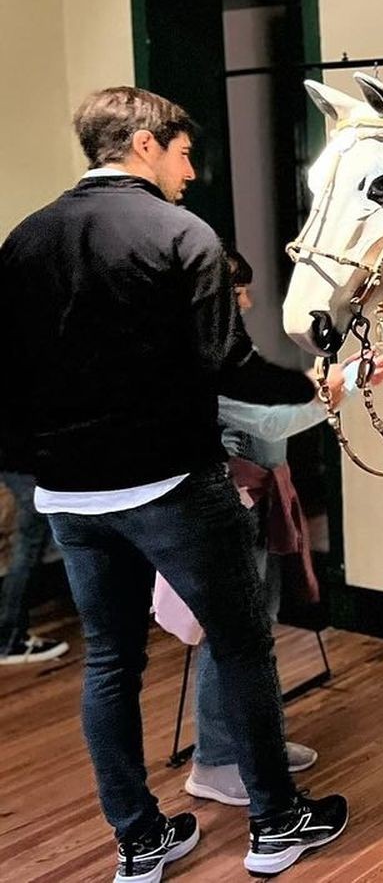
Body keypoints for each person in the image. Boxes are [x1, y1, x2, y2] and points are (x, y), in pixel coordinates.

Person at [0, 87, 350, 882]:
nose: (192, 173)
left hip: (70, 499)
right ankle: (275, 824)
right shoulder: (180, 233)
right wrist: (314, 387)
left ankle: (140, 841)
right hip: (168, 485)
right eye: (186, 153)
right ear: (147, 143)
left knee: (112, 664)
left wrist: (45, 460)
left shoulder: (23, 240)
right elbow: (227, 362)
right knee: (240, 644)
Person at [183, 249, 383, 808]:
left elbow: (270, 413)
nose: (248, 301)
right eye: (237, 291)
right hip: (229, 508)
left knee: (257, 630)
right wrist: (342, 383)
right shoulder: (198, 359)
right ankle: (215, 759)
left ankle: (258, 744)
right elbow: (269, 420)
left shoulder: (221, 353)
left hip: (253, 504)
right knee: (229, 640)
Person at [0, 467, 68, 664]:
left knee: (35, 532)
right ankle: (8, 639)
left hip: (22, 455)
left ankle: (8, 637)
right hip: (18, 456)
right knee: (36, 526)